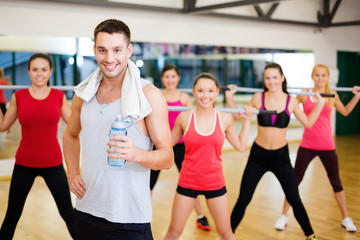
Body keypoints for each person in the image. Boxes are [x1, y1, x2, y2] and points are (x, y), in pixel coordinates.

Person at [63, 19, 173, 240]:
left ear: (129, 50)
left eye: (117, 50)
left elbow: (167, 157)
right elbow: (70, 134)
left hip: (129, 218)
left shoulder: (149, 95)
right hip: (86, 210)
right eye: (102, 50)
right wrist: (72, 171)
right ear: (94, 50)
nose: (109, 58)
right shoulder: (83, 94)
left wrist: (136, 154)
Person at [226, 62, 325, 240]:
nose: (271, 82)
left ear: (282, 78)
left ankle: (311, 235)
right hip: (258, 156)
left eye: (274, 77)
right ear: (264, 80)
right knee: (244, 198)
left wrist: (320, 104)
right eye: (267, 78)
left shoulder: (291, 101)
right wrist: (230, 97)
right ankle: (227, 235)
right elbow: (237, 116)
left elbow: (309, 123)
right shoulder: (258, 98)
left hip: (280, 157)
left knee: (294, 198)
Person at [164, 72, 255, 240]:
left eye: (210, 91)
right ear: (193, 92)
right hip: (188, 182)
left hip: (214, 182)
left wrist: (247, 120)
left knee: (226, 233)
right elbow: (166, 145)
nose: (205, 96)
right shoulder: (184, 118)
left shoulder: (224, 118)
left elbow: (241, 146)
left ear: (217, 92)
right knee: (173, 233)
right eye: (200, 91)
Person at [274, 64, 360, 232]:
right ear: (312, 77)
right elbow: (287, 103)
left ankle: (346, 218)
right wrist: (278, 89)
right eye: (317, 75)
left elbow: (345, 111)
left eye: (323, 75)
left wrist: (357, 97)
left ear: (328, 78)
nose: (320, 78)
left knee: (336, 182)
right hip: (307, 144)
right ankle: (283, 216)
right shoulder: (304, 94)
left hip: (327, 145)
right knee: (295, 181)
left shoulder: (332, 95)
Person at [0, 53, 76, 239]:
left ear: (51, 72)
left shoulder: (58, 96)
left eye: (44, 69)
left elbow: (75, 125)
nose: (39, 74)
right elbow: (3, 126)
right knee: (12, 215)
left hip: (53, 164)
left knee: (68, 214)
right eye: (35, 69)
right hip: (24, 164)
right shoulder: (19, 96)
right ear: (29, 72)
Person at [150, 64, 211, 231]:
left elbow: (194, 118)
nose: (170, 80)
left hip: (180, 146)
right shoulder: (157, 96)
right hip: (160, 145)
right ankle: (143, 215)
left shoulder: (184, 98)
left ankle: (200, 216)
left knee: (189, 183)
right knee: (149, 182)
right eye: (167, 77)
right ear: (162, 79)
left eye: (173, 76)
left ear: (178, 78)